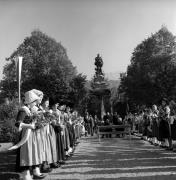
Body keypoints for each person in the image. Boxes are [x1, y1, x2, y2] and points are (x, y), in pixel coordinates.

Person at [15, 90, 46, 180]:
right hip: (26, 136)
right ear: (31, 101)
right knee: (26, 154)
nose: (36, 103)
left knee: (33, 153)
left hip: (33, 135)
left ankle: (35, 172)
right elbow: (17, 123)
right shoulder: (23, 110)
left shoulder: (31, 109)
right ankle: (25, 175)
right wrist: (30, 125)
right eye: (34, 101)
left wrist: (38, 124)